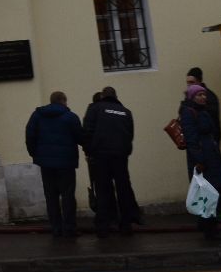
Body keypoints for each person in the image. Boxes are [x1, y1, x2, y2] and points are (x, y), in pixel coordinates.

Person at [82, 86, 139, 236]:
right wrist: (125, 152)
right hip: (120, 156)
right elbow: (130, 134)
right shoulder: (126, 112)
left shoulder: (95, 109)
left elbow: (87, 130)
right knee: (123, 189)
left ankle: (103, 226)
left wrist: (89, 151)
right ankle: (126, 225)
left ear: (102, 96)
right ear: (116, 96)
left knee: (103, 191)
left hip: (100, 156)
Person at [26, 91, 84, 237]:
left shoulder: (37, 116)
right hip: (66, 163)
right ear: (63, 101)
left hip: (46, 163)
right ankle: (69, 227)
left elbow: (30, 136)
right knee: (68, 195)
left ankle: (56, 227)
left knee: (51, 196)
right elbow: (81, 138)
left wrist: (36, 154)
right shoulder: (70, 117)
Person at [180, 84, 221, 241]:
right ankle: (210, 230)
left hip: (211, 155)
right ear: (192, 97)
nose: (203, 97)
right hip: (204, 159)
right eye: (199, 95)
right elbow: (191, 138)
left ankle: (206, 224)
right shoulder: (189, 113)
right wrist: (199, 160)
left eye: (204, 94)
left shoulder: (203, 111)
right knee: (210, 193)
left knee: (215, 190)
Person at [185, 67, 221, 142]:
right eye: (187, 83)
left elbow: (211, 120)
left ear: (199, 82)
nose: (189, 85)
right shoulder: (189, 96)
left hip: (209, 141)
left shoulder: (210, 97)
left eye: (191, 82)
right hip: (195, 140)